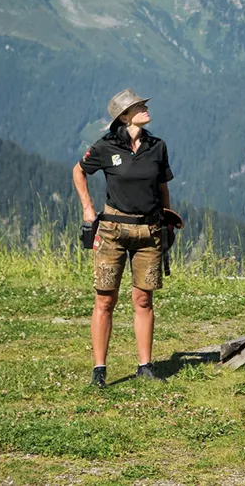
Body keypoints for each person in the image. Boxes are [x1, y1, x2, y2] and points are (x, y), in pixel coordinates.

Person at [73, 88, 175, 388]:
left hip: (149, 231)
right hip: (112, 232)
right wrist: (88, 210)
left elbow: (162, 187)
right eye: (139, 106)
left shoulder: (158, 146)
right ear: (125, 116)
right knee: (105, 299)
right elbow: (79, 171)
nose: (145, 108)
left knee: (144, 299)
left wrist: (168, 219)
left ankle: (145, 366)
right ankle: (99, 369)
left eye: (143, 104)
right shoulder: (105, 147)